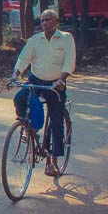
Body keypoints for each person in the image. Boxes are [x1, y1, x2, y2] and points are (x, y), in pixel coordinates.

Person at [8, 9, 76, 176]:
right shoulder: (35, 40)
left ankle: (53, 161)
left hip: (56, 84)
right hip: (36, 80)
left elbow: (69, 60)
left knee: (56, 121)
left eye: (49, 20)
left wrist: (61, 79)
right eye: (43, 20)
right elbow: (24, 58)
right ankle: (30, 129)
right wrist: (15, 74)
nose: (45, 23)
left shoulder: (66, 38)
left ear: (56, 22)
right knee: (20, 99)